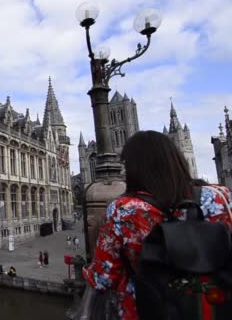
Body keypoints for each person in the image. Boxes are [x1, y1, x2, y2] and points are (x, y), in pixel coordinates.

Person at [83, 131, 232, 320]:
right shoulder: (219, 196)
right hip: (212, 304)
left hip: (148, 308)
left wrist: (86, 269)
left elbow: (102, 278)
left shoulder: (125, 209)